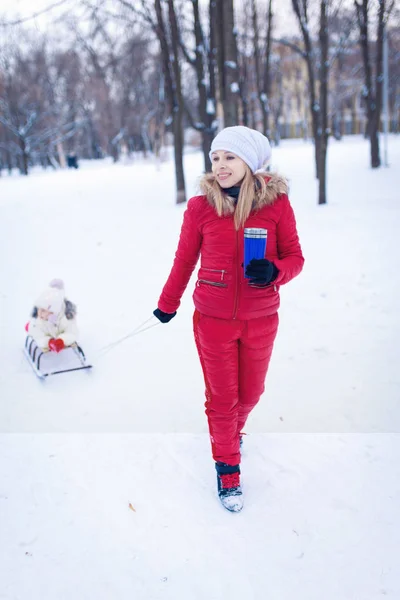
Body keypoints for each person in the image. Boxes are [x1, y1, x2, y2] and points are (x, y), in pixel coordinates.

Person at [153, 126, 304, 512]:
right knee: (222, 400)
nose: (220, 166)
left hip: (261, 318)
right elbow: (185, 259)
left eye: (229, 158)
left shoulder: (277, 205)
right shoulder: (201, 207)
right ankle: (228, 468)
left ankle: (230, 435)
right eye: (215, 158)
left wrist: (275, 271)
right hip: (213, 319)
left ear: (250, 163)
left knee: (250, 395)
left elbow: (295, 258)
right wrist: (168, 303)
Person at [26, 279, 78, 352]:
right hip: (42, 330)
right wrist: (48, 342)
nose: (39, 313)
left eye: (43, 310)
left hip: (57, 329)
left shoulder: (66, 317)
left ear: (53, 311)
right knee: (32, 328)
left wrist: (62, 340)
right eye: (38, 309)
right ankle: (28, 326)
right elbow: (38, 336)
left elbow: (72, 332)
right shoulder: (39, 320)